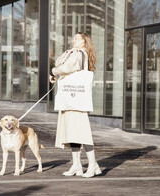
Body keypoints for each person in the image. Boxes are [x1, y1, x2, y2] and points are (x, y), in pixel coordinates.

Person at [49, 32, 101, 178]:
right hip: (72, 99)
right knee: (73, 133)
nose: (73, 40)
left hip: (74, 101)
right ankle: (77, 165)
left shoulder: (78, 54)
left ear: (85, 41)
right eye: (73, 38)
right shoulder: (76, 53)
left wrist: (53, 71)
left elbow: (63, 67)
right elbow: (62, 64)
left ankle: (93, 164)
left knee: (82, 133)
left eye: (77, 38)